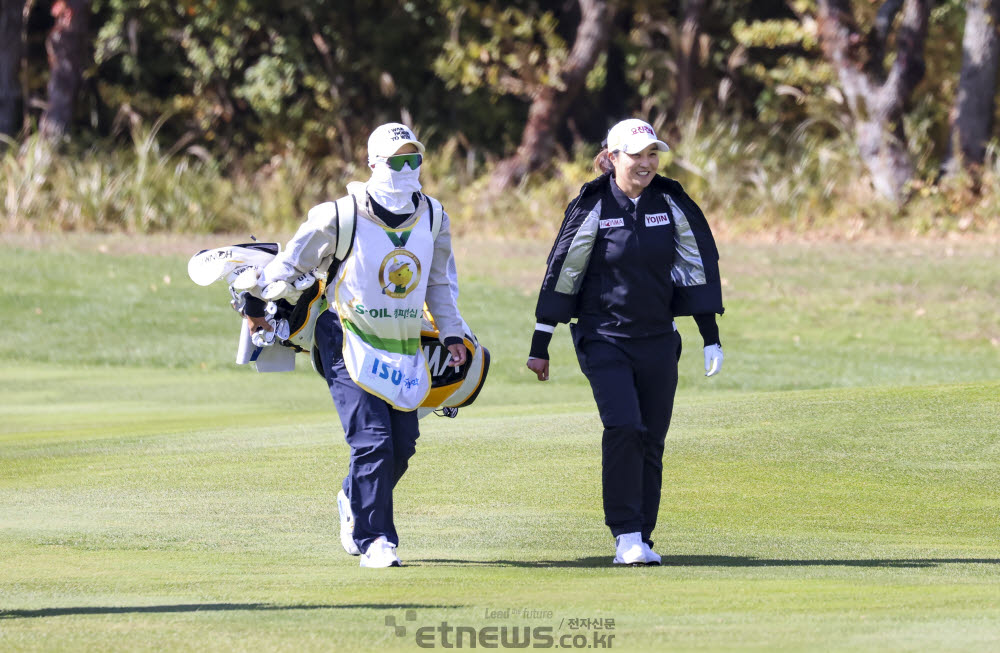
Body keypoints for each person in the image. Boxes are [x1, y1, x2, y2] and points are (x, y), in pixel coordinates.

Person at [246, 123, 467, 568]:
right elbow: (292, 263)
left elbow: (439, 283)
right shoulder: (339, 215)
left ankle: (352, 497)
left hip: (403, 344)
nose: (406, 169)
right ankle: (375, 540)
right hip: (345, 336)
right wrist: (256, 300)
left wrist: (452, 331)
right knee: (373, 442)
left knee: (402, 446)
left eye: (413, 160)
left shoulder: (434, 216)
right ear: (372, 164)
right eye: (395, 161)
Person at [526, 118, 724, 566]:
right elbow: (565, 270)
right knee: (624, 427)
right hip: (603, 338)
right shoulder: (594, 204)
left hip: (658, 339)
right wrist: (542, 342)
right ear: (612, 157)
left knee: (652, 439)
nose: (647, 163)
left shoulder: (669, 201)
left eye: (653, 154)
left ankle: (642, 538)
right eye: (636, 155)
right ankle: (626, 535)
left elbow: (695, 268)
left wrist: (709, 337)